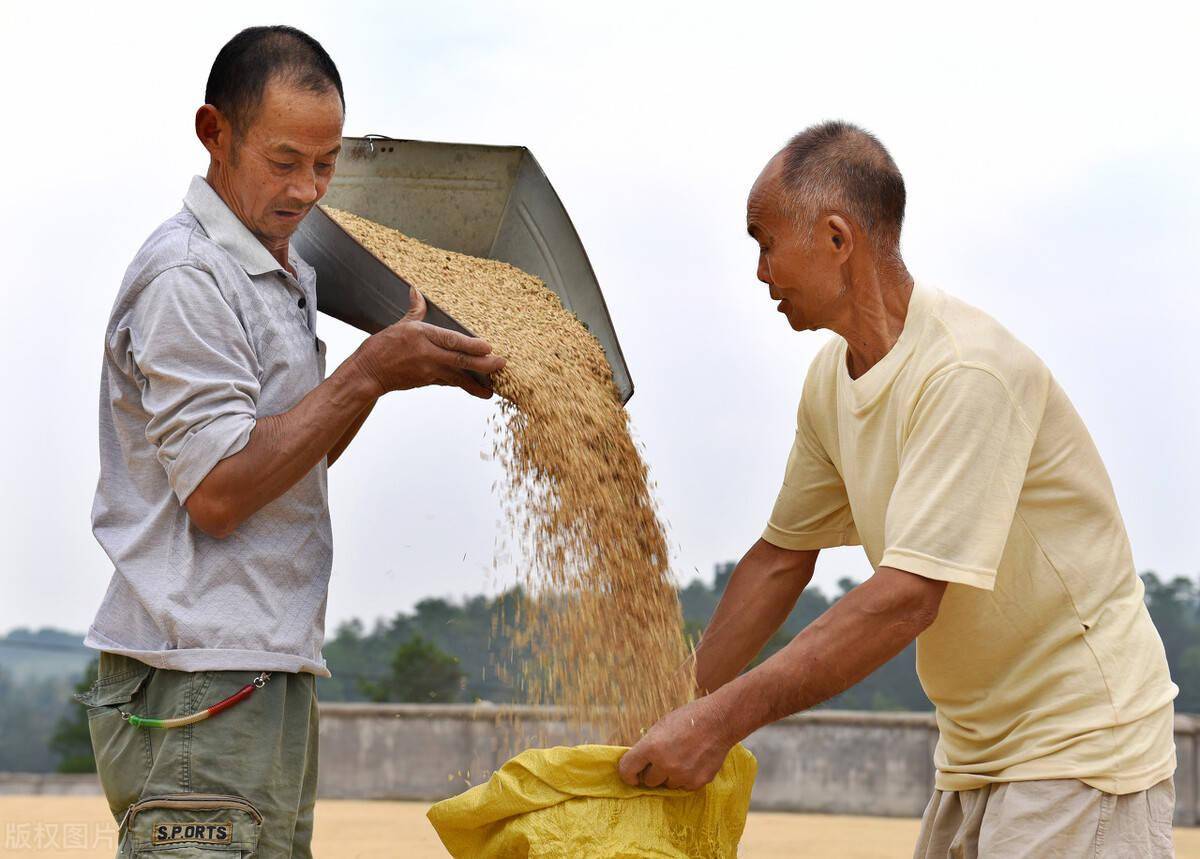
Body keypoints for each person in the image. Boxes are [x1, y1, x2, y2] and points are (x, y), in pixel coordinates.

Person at [618, 120, 1177, 857]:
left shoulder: (965, 372)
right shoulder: (831, 379)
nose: (759, 272)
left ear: (837, 239)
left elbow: (908, 595)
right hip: (975, 750)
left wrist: (716, 723)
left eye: (765, 242)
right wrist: (675, 706)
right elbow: (782, 558)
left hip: (1082, 742)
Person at [78, 25, 504, 857]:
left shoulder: (280, 270)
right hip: (196, 682)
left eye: (326, 161)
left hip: (256, 672)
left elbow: (281, 460)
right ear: (214, 132)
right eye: (284, 161)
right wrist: (369, 371)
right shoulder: (188, 278)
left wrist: (394, 370)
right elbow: (221, 494)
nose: (309, 189)